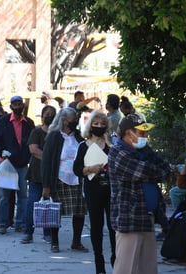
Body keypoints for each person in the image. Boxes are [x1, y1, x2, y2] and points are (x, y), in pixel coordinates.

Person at [108, 114, 171, 274]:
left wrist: (149, 169)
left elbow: (166, 170)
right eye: (141, 133)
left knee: (148, 268)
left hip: (147, 216)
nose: (145, 136)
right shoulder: (118, 151)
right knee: (126, 268)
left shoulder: (144, 150)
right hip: (129, 217)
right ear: (129, 133)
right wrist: (150, 169)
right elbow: (142, 170)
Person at [73, 110, 116, 274]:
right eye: (96, 124)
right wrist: (90, 168)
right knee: (96, 227)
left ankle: (116, 260)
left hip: (111, 189)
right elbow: (76, 169)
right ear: (90, 125)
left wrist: (110, 144)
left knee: (113, 227)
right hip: (93, 189)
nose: (99, 127)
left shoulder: (112, 145)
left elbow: (119, 163)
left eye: (102, 124)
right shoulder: (83, 146)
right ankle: (99, 264)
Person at [41, 107, 87, 253]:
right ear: (65, 121)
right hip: (59, 179)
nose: (76, 121)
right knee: (56, 212)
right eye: (74, 118)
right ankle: (54, 242)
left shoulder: (79, 137)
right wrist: (46, 185)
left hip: (77, 179)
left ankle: (76, 242)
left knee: (79, 211)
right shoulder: (54, 137)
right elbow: (46, 162)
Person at [0, 95, 35, 234]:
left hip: (22, 164)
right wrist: (1, 151)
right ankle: (3, 223)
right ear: (10, 107)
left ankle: (20, 223)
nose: (17, 106)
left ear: (23, 106)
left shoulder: (29, 123)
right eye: (15, 104)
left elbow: (32, 141)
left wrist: (28, 157)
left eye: (19, 104)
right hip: (7, 163)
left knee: (23, 195)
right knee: (4, 195)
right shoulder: (3, 122)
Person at [19, 105, 56, 244]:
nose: (50, 116)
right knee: (32, 203)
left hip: (51, 176)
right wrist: (50, 159)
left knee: (48, 205)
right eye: (47, 114)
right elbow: (33, 150)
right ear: (42, 116)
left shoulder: (57, 133)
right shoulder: (36, 131)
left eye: (52, 114)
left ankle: (48, 233)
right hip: (36, 174)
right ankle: (28, 232)